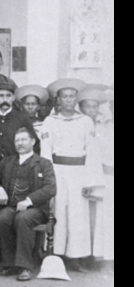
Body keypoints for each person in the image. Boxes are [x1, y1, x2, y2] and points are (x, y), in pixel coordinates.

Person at [41, 78, 102, 272]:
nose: (68, 100)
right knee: (58, 211)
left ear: (76, 99)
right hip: (58, 170)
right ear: (58, 99)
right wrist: (48, 177)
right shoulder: (50, 121)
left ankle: (75, 256)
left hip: (79, 172)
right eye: (64, 96)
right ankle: (56, 254)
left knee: (78, 214)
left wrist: (90, 181)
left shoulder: (85, 121)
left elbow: (92, 152)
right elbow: (45, 150)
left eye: (71, 96)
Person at [0, 83, 39, 262]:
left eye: (7, 96)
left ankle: (13, 256)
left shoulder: (22, 118)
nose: (4, 100)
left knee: (12, 215)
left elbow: (34, 144)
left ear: (13, 98)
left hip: (16, 174)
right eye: (0, 96)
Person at [0, 127, 56, 281]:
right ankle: (9, 263)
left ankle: (26, 266)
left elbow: (51, 188)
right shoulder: (7, 161)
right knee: (1, 219)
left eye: (24, 139)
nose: (20, 143)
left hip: (36, 208)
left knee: (23, 218)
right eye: (17, 140)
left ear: (33, 141)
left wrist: (29, 200)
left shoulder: (44, 163)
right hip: (11, 206)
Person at [77, 87, 113, 264]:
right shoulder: (80, 125)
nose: (91, 110)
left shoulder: (104, 127)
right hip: (83, 175)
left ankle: (102, 255)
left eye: (94, 107)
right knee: (85, 216)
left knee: (103, 217)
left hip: (103, 176)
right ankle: (85, 255)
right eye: (87, 107)